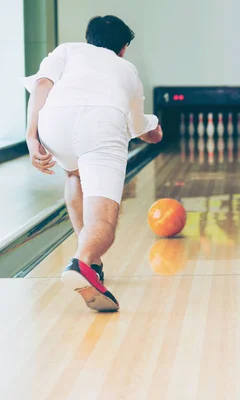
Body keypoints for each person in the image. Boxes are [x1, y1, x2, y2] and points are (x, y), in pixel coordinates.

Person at [23, 15, 162, 312]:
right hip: (101, 124)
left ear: (89, 39)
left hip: (53, 121)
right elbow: (137, 125)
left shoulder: (67, 50)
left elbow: (42, 85)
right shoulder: (127, 69)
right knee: (104, 223)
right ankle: (83, 261)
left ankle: (92, 265)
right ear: (123, 48)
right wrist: (154, 128)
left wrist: (31, 136)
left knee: (73, 174)